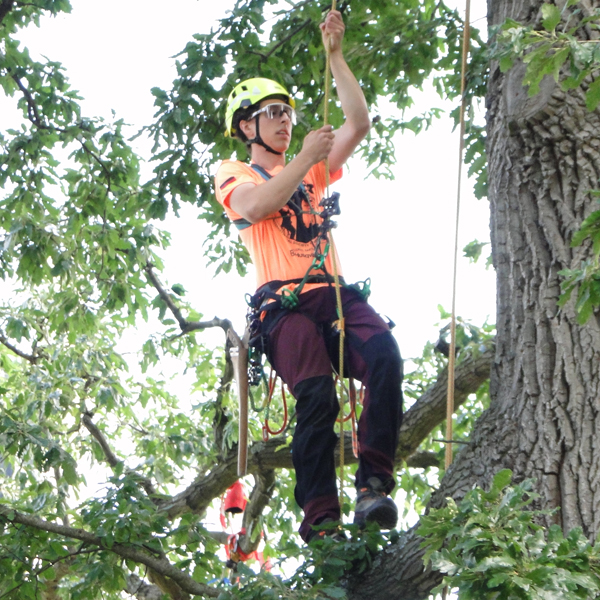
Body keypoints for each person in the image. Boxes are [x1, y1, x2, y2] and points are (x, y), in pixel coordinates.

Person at [215, 10, 403, 543]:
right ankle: (321, 518)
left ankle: (373, 486)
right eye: (273, 113)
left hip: (335, 297)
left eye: (289, 113)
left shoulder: (313, 165)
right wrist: (304, 158)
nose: (286, 120)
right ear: (247, 126)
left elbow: (358, 123)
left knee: (385, 355)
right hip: (283, 305)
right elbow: (255, 207)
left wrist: (336, 58)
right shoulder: (236, 172)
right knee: (317, 393)